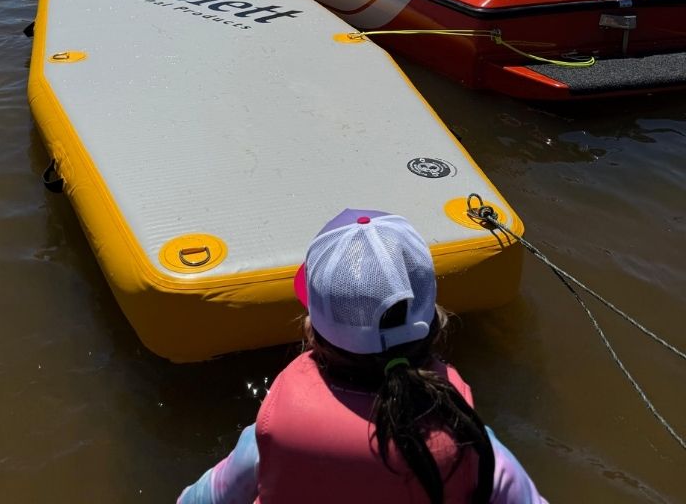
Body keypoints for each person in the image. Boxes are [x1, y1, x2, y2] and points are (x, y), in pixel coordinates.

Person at [178, 209, 547, 504]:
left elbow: (197, 500)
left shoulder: (268, 436)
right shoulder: (472, 445)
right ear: (436, 322)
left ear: (312, 331)